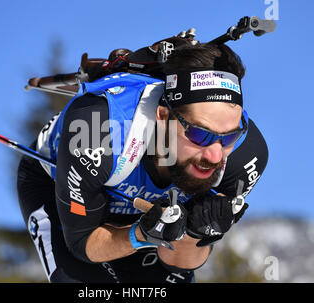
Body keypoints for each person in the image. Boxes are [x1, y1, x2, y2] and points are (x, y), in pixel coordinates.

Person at [17, 43, 268, 283]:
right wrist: (139, 235)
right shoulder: (95, 133)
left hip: (145, 208)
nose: (215, 155)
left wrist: (195, 232)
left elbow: (179, 262)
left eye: (229, 137)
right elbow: (83, 245)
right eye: (200, 134)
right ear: (162, 116)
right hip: (60, 187)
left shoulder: (245, 157)